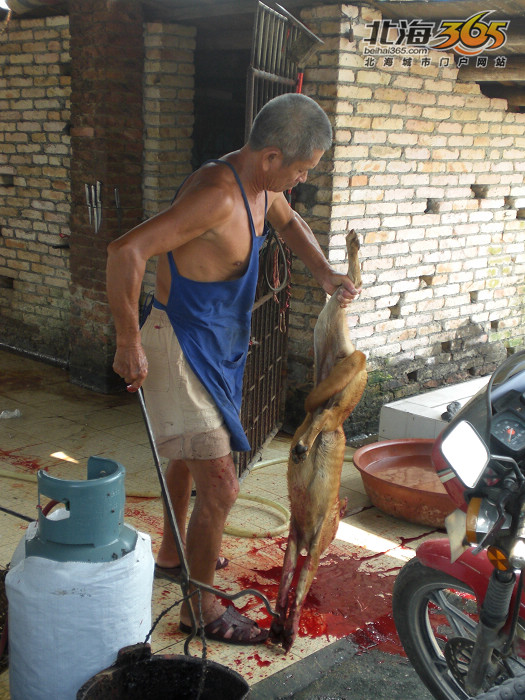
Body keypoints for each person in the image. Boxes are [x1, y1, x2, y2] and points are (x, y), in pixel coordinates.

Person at [106, 93, 360, 645]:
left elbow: (291, 226)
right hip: (179, 346)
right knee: (220, 487)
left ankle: (174, 554)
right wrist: (128, 341)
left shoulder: (263, 188)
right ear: (271, 156)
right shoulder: (217, 195)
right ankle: (200, 612)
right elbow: (126, 252)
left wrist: (324, 273)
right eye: (300, 169)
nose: (299, 181)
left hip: (220, 347)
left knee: (188, 457)